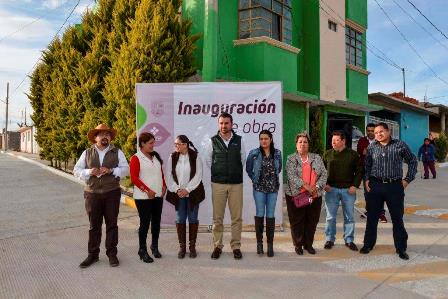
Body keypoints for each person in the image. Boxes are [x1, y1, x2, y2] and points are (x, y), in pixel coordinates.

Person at [74, 124, 129, 268]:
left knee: (112, 225)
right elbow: (76, 170)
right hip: (92, 194)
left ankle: (112, 254)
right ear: (95, 137)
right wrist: (89, 172)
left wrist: (111, 170)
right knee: (94, 226)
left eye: (108, 134)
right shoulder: (87, 152)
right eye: (101, 134)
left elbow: (126, 169)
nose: (105, 137)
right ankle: (93, 255)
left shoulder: (117, 152)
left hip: (111, 193)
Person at [360, 122, 417, 260]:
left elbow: (413, 161)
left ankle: (401, 248)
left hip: (394, 187)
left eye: (381, 131)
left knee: (397, 218)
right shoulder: (372, 147)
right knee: (372, 217)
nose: (378, 134)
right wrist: (367, 179)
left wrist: (407, 180)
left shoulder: (400, 145)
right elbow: (367, 165)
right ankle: (368, 244)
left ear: (388, 131)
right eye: (376, 132)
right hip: (375, 186)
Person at [205, 112, 246, 260]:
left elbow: (243, 159)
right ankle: (217, 246)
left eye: (226, 123)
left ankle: (236, 246)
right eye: (221, 123)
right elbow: (208, 160)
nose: (223, 126)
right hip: (218, 184)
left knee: (236, 218)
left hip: (236, 184)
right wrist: (219, 172)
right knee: (217, 218)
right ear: (218, 124)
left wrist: (232, 173)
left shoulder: (239, 140)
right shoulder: (212, 141)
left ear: (231, 124)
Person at [285, 133, 327, 255]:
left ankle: (309, 245)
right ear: (296, 145)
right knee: (297, 221)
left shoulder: (317, 158)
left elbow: (324, 173)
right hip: (296, 195)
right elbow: (291, 176)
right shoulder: (291, 158)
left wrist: (316, 187)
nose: (303, 144)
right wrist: (306, 186)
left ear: (309, 144)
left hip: (314, 194)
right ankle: (298, 245)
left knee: (312, 220)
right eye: (300, 142)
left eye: (305, 142)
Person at [129, 132, 166, 263]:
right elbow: (134, 178)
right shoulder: (136, 158)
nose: (153, 145)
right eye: (150, 143)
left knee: (156, 222)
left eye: (153, 143)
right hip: (143, 198)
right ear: (142, 143)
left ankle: (154, 247)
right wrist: (147, 190)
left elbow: (160, 174)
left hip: (157, 196)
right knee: (145, 224)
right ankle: (142, 250)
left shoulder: (155, 157)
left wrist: (164, 186)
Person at [166, 135, 204, 259]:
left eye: (178, 144)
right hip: (178, 194)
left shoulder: (195, 156)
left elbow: (198, 176)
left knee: (193, 219)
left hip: (193, 193)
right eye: (175, 144)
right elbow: (168, 176)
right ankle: (182, 248)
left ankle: (192, 248)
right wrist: (177, 189)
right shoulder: (172, 157)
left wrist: (187, 190)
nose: (176, 146)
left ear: (185, 145)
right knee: (180, 219)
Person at [323, 131, 362, 251]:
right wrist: (324, 184)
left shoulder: (353, 155)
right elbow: (320, 171)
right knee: (330, 217)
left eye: (336, 140)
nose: (333, 143)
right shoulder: (327, 154)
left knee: (349, 216)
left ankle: (349, 240)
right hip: (331, 190)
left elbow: (359, 171)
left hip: (348, 190)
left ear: (343, 141)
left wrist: (355, 186)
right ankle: (329, 239)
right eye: (332, 141)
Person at [246, 130, 282, 257]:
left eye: (266, 138)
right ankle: (259, 244)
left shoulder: (277, 153)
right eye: (261, 139)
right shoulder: (254, 153)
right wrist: (255, 179)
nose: (263, 141)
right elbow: (248, 169)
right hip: (259, 189)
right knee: (260, 214)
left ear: (271, 139)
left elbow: (279, 168)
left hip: (273, 189)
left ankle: (270, 245)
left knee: (271, 215)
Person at [357, 123, 388, 223]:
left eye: (372, 130)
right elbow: (362, 152)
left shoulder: (380, 140)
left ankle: (381, 213)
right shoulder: (362, 140)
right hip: (366, 170)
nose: (370, 133)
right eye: (368, 131)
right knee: (367, 192)